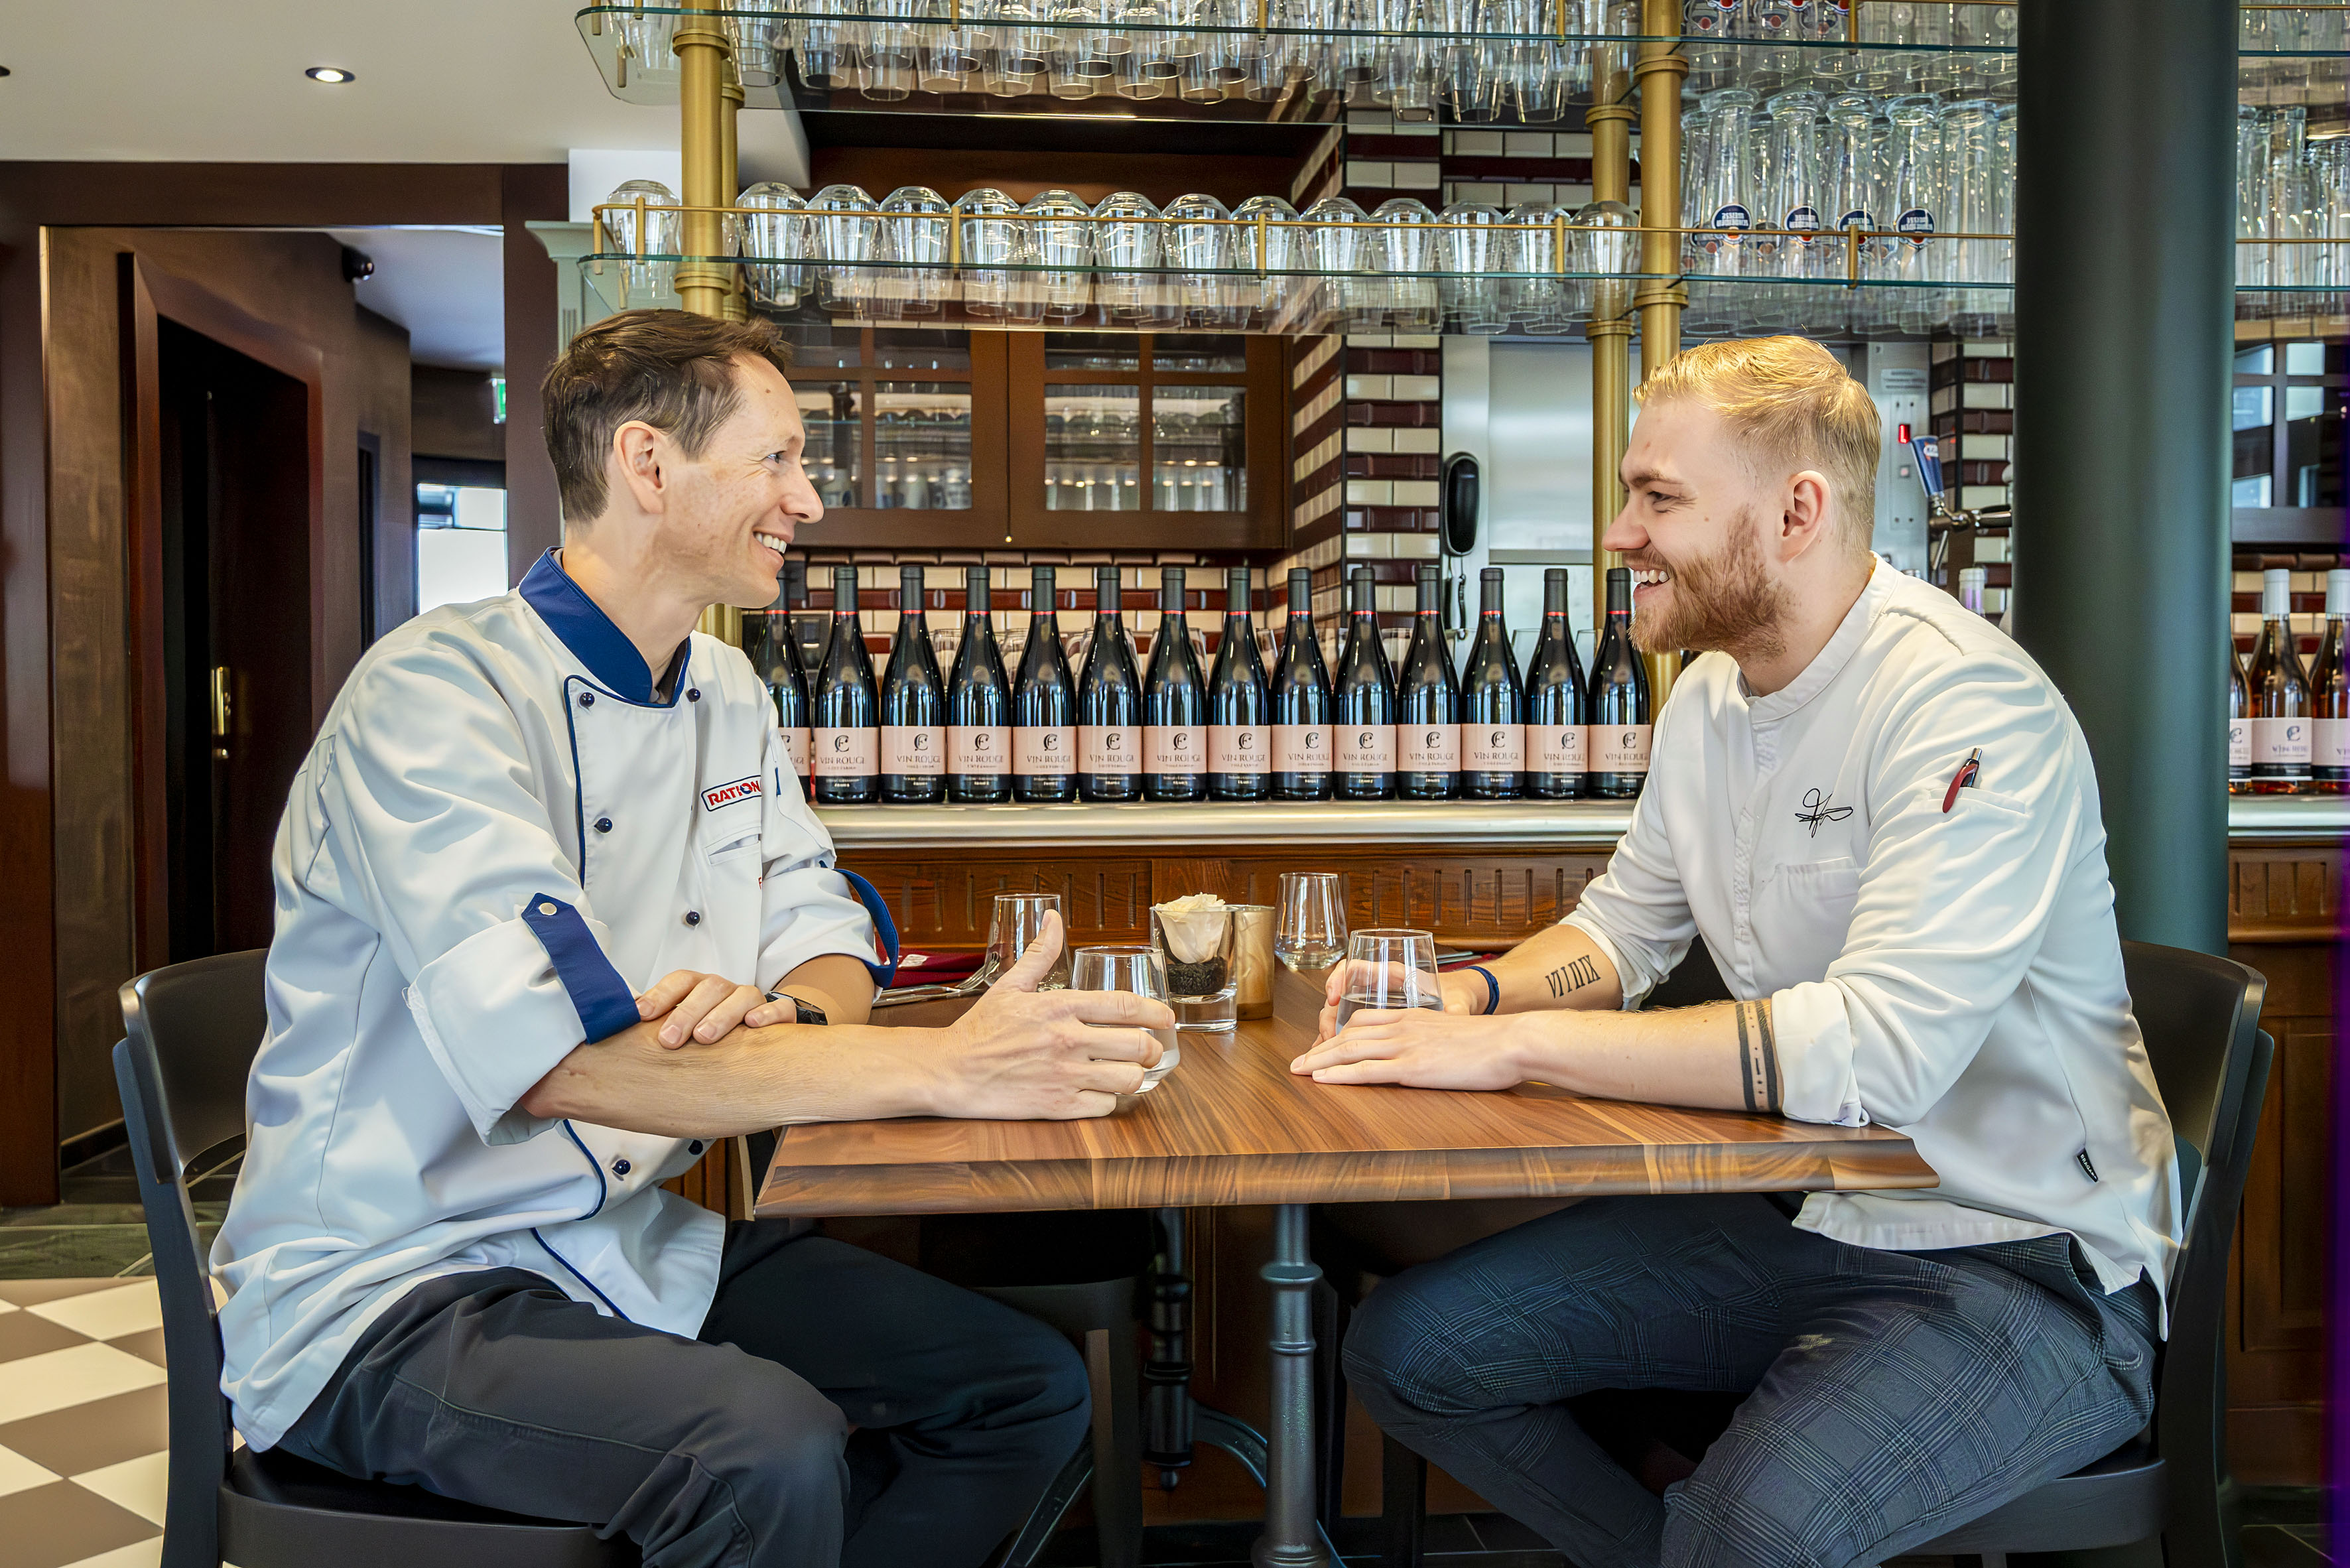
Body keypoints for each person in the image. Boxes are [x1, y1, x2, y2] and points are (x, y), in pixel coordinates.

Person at [212, 308, 1171, 1568]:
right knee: (760, 1447)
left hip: (627, 1240)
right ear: (648, 465)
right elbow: (565, 1063)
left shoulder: (724, 689)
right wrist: (950, 1064)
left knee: (1025, 1389)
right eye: (777, 460)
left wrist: (801, 1026)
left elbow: (821, 922)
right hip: (398, 1284)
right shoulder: (434, 695)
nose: (810, 499)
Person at [1297, 336, 2178, 1568]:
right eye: (1628, 493)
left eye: (1658, 498)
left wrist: (1515, 1048)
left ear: (1796, 512)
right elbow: (1623, 927)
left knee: (1750, 1530)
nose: (1619, 532)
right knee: (1417, 1354)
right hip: (1816, 1222)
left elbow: (1879, 1056)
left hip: (2024, 1264)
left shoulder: (1966, 708)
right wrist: (1470, 993)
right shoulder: (1711, 698)